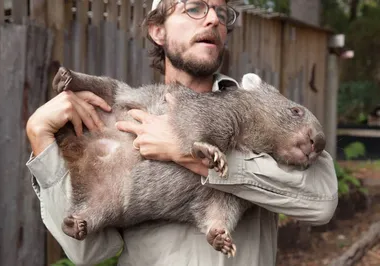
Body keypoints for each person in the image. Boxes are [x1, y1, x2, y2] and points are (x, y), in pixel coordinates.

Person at [25, 0, 338, 265]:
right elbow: (88, 251)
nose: (213, 18)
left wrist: (186, 154)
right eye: (195, 8)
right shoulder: (130, 110)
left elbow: (321, 202)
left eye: (221, 12)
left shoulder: (265, 115)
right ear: (158, 31)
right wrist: (40, 138)